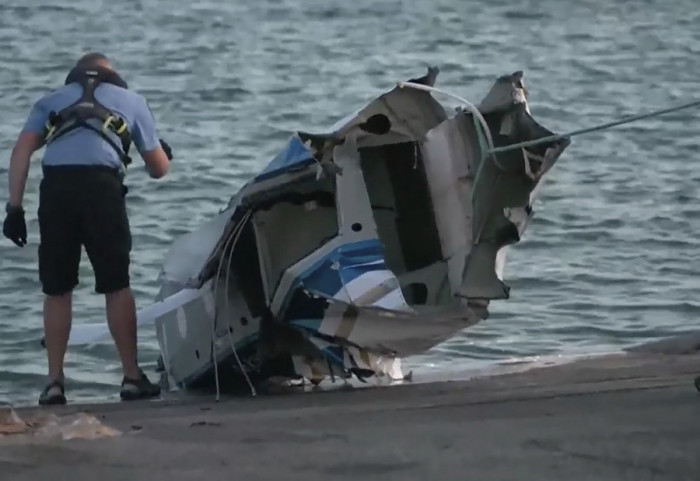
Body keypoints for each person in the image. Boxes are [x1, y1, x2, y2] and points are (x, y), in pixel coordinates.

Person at [2, 52, 173, 405]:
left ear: (74, 75)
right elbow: (159, 169)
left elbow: (21, 152)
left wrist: (14, 208)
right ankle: (130, 377)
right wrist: (163, 153)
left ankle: (53, 383)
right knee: (116, 284)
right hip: (101, 189)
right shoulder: (132, 101)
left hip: (56, 190)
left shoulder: (50, 100)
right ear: (114, 76)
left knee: (57, 289)